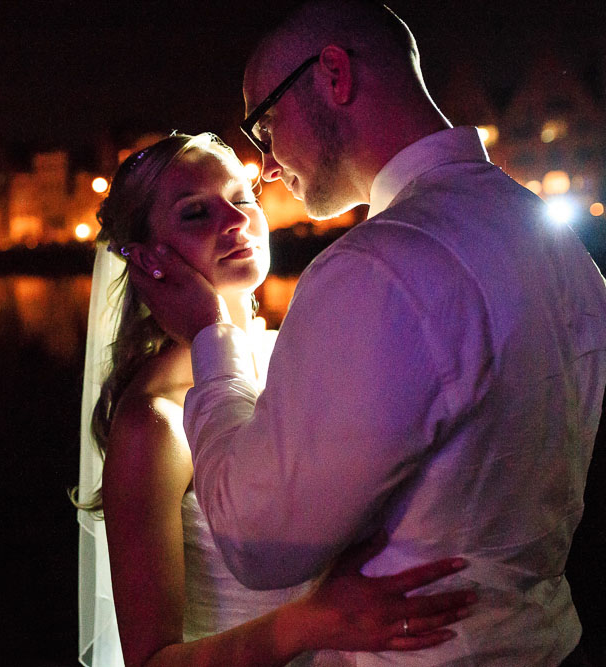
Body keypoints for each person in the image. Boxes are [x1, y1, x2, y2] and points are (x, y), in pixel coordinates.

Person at [124, 2, 606, 665]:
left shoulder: (375, 266)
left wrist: (211, 337)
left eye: (265, 124)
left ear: (332, 74)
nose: (266, 166)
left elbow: (256, 540)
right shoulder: (556, 245)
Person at [76, 131, 477, 667]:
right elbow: (152, 661)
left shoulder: (303, 354)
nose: (236, 220)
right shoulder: (155, 423)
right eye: (195, 213)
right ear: (150, 259)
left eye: (242, 199)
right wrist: (309, 622)